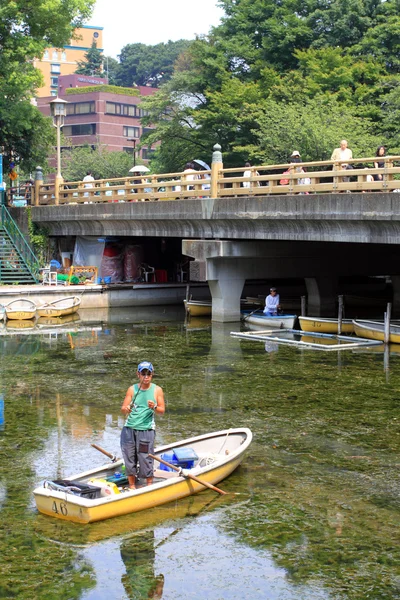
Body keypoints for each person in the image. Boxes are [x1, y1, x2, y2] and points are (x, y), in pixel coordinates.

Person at [120, 361, 165, 489]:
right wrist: (127, 408)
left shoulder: (157, 390)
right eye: (143, 373)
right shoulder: (132, 389)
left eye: (148, 373)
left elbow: (162, 411)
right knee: (129, 457)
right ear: (138, 374)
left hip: (146, 431)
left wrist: (154, 406)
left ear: (152, 374)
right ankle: (132, 486)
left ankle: (149, 486)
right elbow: (123, 408)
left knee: (145, 458)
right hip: (129, 430)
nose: (146, 376)